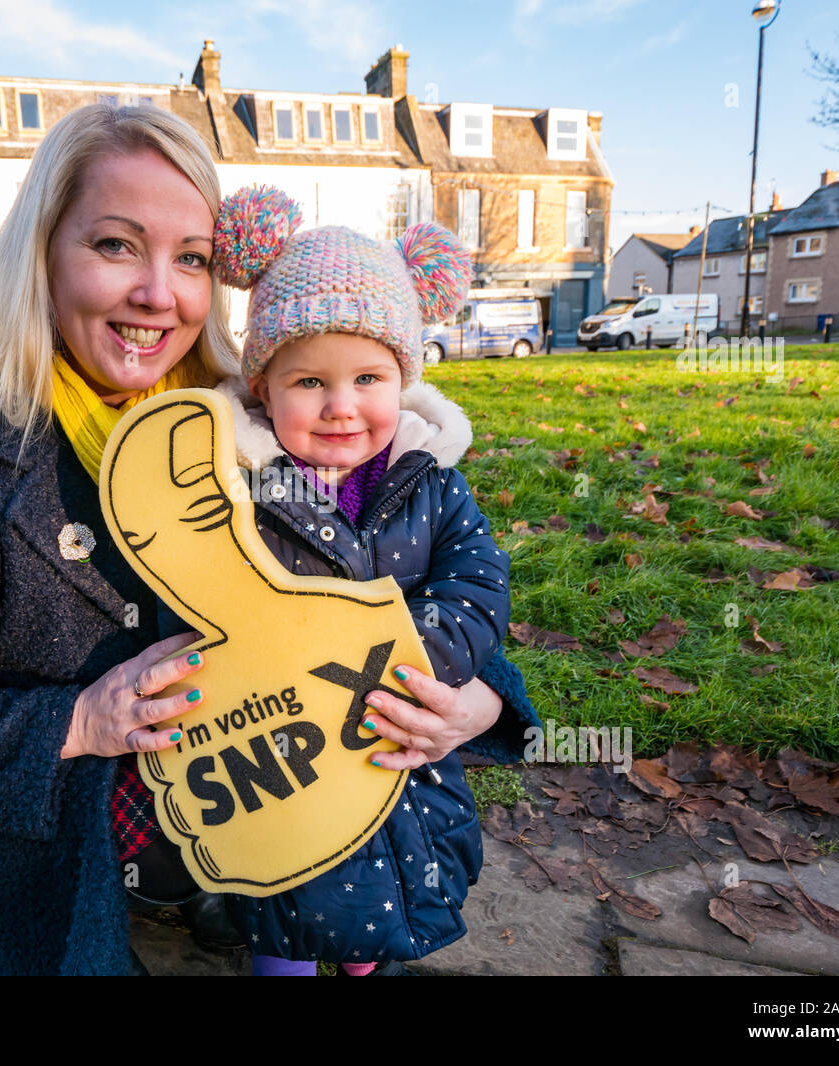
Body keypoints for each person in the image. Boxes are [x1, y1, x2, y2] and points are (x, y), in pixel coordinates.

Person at [0, 104, 538, 977]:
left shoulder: (253, 416)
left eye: (191, 258)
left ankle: (242, 904)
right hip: (79, 837)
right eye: (115, 245)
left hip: (283, 803)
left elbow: (377, 574)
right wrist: (80, 721)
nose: (160, 293)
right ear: (43, 250)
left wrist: (479, 704)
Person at [191, 185, 515, 974]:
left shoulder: (431, 483)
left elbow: (477, 581)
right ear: (262, 386)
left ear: (401, 379)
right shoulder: (240, 488)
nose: (342, 407)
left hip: (396, 730)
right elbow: (208, 595)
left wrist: (426, 655)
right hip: (285, 748)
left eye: (369, 379)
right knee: (284, 897)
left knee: (388, 888)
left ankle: (371, 953)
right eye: (309, 382)